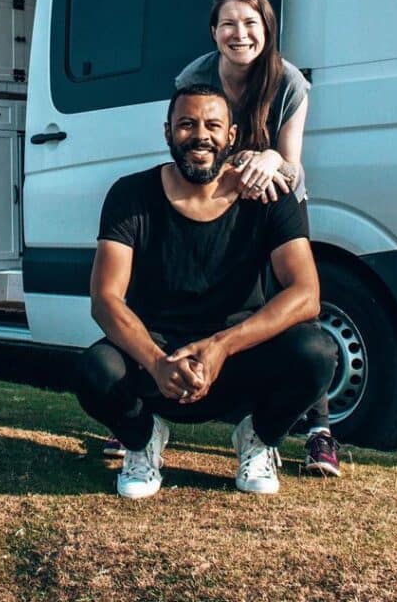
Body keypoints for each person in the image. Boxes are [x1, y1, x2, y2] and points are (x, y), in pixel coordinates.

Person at [102, 0, 340, 477]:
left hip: (273, 194)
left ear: (267, 30)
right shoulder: (195, 75)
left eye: (251, 23)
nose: (240, 33)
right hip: (213, 189)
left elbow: (293, 163)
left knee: (298, 318)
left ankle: (316, 429)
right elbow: (189, 132)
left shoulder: (288, 81)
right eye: (229, 23)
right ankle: (134, 419)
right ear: (213, 32)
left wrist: (268, 160)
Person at [76, 84, 337, 498]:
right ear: (167, 133)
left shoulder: (269, 197)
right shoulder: (130, 195)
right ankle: (143, 439)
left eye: (213, 125)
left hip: (237, 359)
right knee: (94, 370)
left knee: (318, 352)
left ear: (232, 136)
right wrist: (158, 362)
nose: (201, 135)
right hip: (159, 360)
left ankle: (258, 437)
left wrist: (221, 346)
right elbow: (104, 299)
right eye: (187, 124)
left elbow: (306, 294)